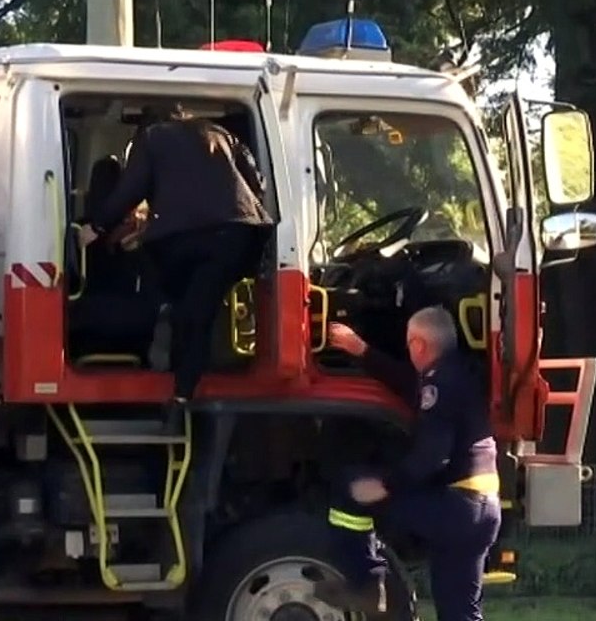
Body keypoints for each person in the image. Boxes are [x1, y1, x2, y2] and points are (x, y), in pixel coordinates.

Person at [80, 102, 274, 425]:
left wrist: (96, 227)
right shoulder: (220, 133)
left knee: (175, 294)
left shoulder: (152, 137)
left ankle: (164, 316)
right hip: (238, 236)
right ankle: (183, 391)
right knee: (203, 308)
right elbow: (259, 183)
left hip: (180, 240)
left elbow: (131, 188)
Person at [316, 307, 501, 621]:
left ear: (418, 345)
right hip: (484, 511)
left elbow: (432, 455)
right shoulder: (456, 375)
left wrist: (385, 484)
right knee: (460, 613)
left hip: (456, 508)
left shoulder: (438, 385)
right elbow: (405, 379)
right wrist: (362, 351)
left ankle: (368, 585)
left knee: (352, 492)